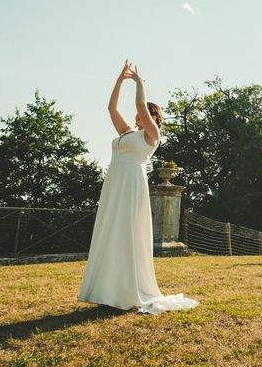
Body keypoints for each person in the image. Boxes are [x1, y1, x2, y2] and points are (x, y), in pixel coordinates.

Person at [79, 60, 198, 314]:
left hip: (132, 184)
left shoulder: (151, 136)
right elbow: (110, 108)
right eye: (140, 116)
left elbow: (140, 105)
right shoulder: (127, 133)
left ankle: (128, 290)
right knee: (111, 231)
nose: (138, 116)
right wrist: (119, 80)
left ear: (154, 118)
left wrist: (139, 82)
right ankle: (107, 290)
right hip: (115, 183)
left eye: (146, 114)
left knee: (128, 232)